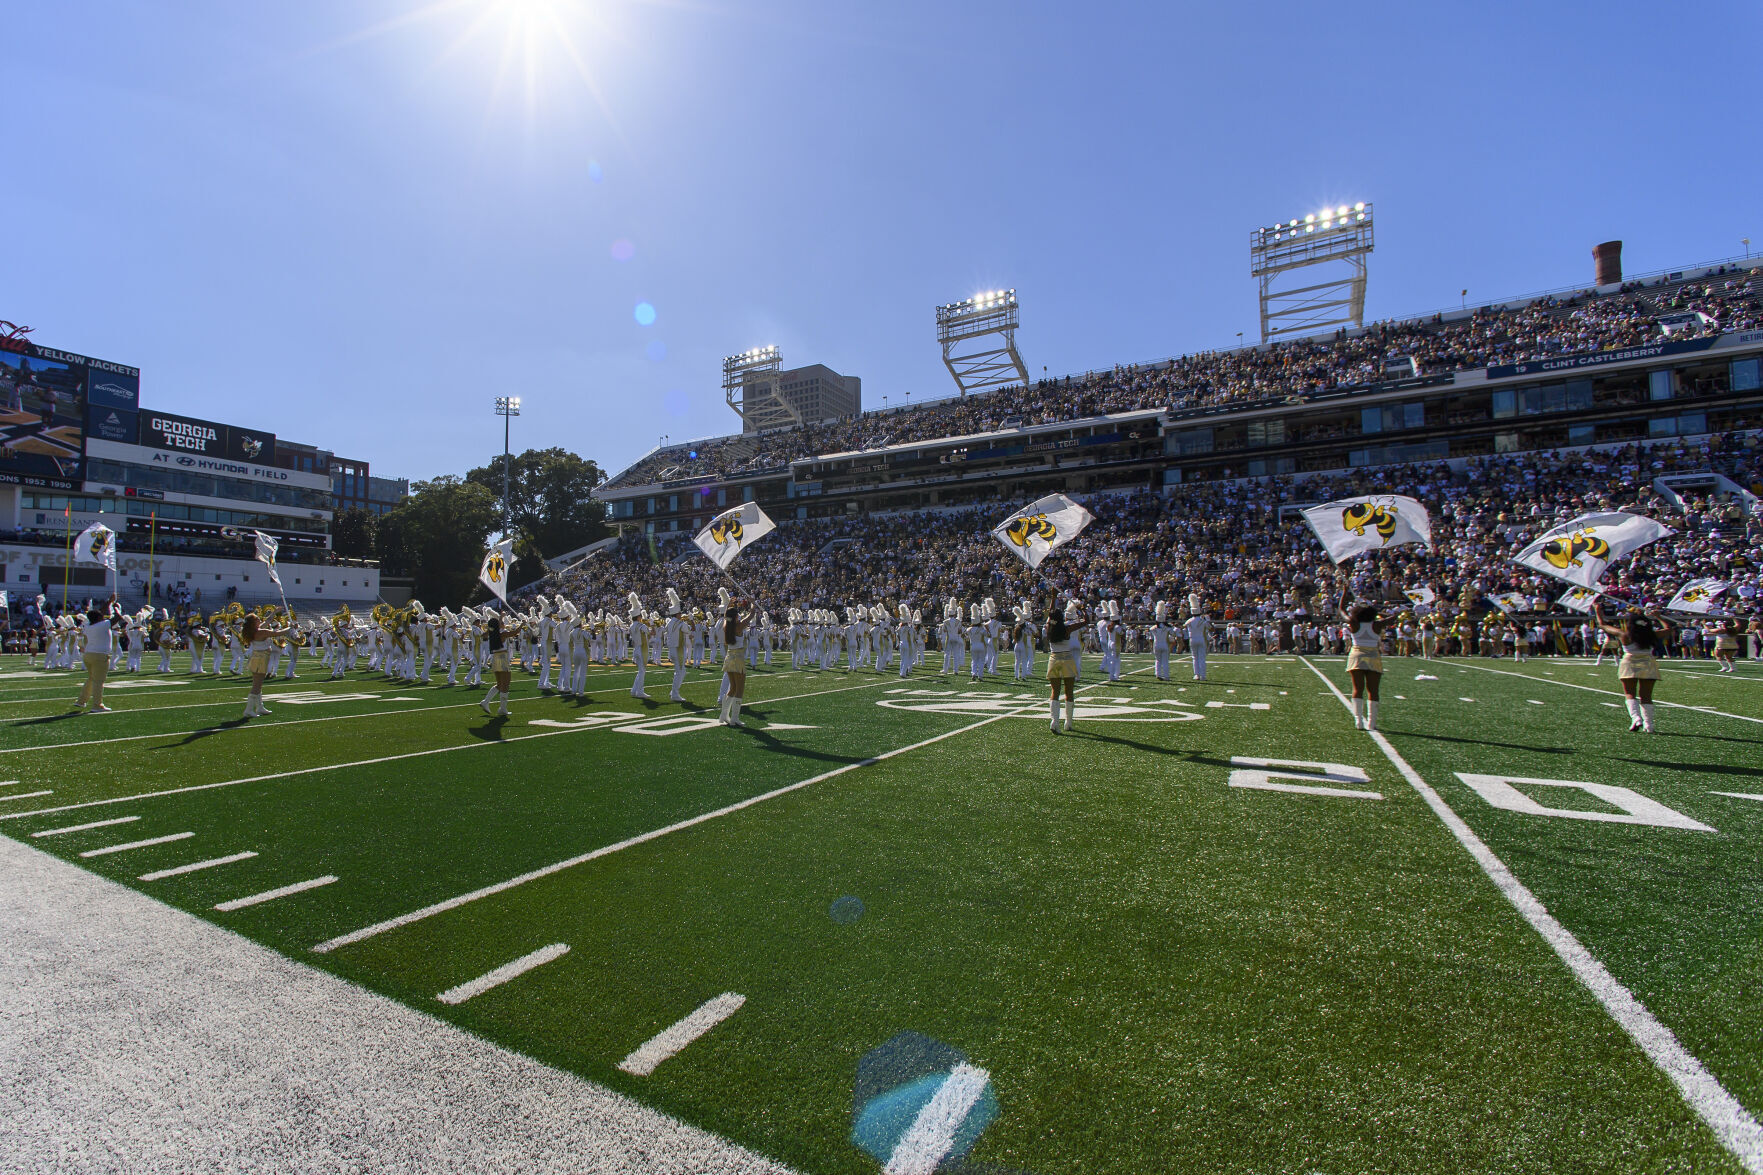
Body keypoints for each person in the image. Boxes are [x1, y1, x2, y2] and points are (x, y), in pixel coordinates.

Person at [1594, 600, 1669, 732]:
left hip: (1629, 663)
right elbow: (1668, 630)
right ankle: (1649, 725)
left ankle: (1636, 718)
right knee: (1646, 696)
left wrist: (1597, 610)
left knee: (1630, 693)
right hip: (1647, 663)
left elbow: (1602, 625)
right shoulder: (1652, 635)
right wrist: (1658, 617)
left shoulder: (1625, 635)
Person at [1340, 594, 1387, 732]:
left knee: (1357, 689)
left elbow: (1341, 610)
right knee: (1373, 691)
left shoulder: (1353, 623)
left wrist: (1344, 593)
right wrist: (1375, 610)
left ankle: (1358, 721)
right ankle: (1372, 723)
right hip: (1373, 656)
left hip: (1357, 656)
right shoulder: (1377, 624)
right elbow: (1393, 617)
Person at [240, 611, 292, 718]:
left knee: (257, 684)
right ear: (253, 623)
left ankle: (260, 707)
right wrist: (290, 627)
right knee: (256, 686)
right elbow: (278, 633)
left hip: (257, 658)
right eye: (257, 619)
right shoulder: (261, 632)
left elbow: (268, 621)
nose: (260, 620)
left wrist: (275, 612)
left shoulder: (254, 631)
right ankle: (248, 710)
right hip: (261, 659)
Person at [1045, 601, 1082, 733]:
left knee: (1055, 691)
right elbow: (1086, 621)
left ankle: (1054, 721)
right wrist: (1080, 609)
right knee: (1069, 691)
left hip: (1054, 659)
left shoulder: (1048, 627)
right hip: (1067, 659)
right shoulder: (1068, 628)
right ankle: (1068, 722)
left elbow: (1050, 616)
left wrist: (1053, 597)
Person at [720, 597, 755, 727]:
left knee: (733, 688)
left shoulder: (726, 626)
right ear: (735, 617)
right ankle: (734, 718)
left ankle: (723, 715)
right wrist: (752, 603)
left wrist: (728, 605)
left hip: (729, 658)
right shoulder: (739, 626)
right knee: (739, 690)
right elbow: (751, 615)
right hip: (738, 659)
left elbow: (725, 617)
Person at [74, 607, 115, 712]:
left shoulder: (87, 626)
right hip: (100, 655)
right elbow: (118, 617)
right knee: (98, 681)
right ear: (99, 617)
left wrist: (109, 603)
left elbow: (100, 615)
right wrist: (113, 606)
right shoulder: (103, 625)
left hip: (88, 654)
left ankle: (81, 701)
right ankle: (97, 705)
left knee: (92, 678)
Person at [480, 613, 512, 717]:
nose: (502, 624)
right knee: (506, 684)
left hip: (495, 657)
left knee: (499, 684)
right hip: (502, 658)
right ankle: (502, 709)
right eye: (501, 623)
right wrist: (523, 624)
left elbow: (484, 634)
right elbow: (515, 632)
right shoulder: (502, 633)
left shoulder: (492, 632)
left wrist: (500, 618)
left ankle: (485, 702)